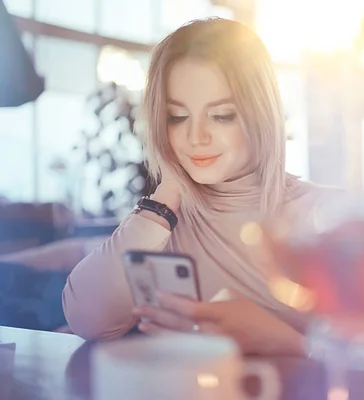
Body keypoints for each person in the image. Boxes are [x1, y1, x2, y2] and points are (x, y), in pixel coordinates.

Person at [62, 18, 339, 356]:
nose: (196, 137)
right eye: (176, 117)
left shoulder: (326, 217)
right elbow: (88, 320)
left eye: (221, 115)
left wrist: (286, 343)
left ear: (261, 115)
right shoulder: (162, 223)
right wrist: (166, 194)